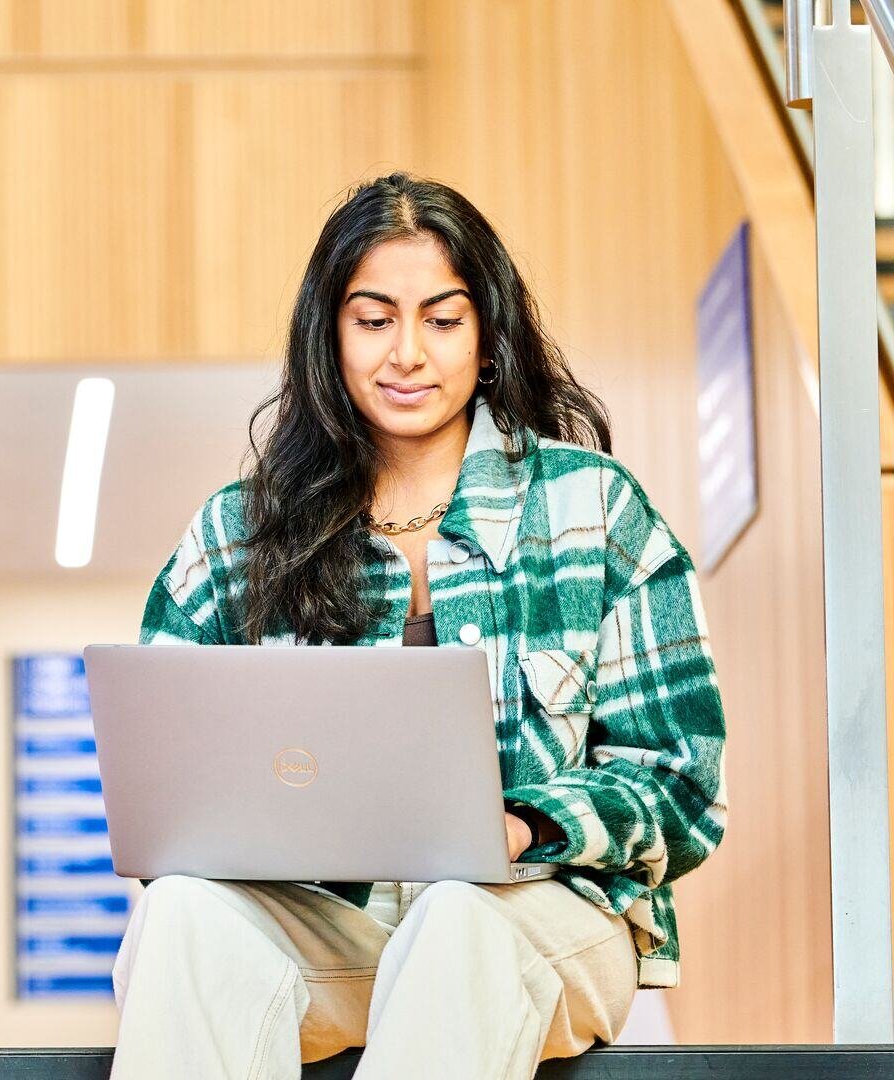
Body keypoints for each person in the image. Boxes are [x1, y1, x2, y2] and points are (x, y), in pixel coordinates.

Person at [110, 173, 728, 1080]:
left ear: (486, 338)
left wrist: (522, 823)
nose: (407, 353)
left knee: (459, 920)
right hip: (337, 929)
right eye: (373, 320)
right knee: (180, 917)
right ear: (330, 336)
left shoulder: (595, 508)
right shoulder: (236, 533)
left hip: (539, 919)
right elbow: (164, 791)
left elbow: (683, 783)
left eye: (442, 320)